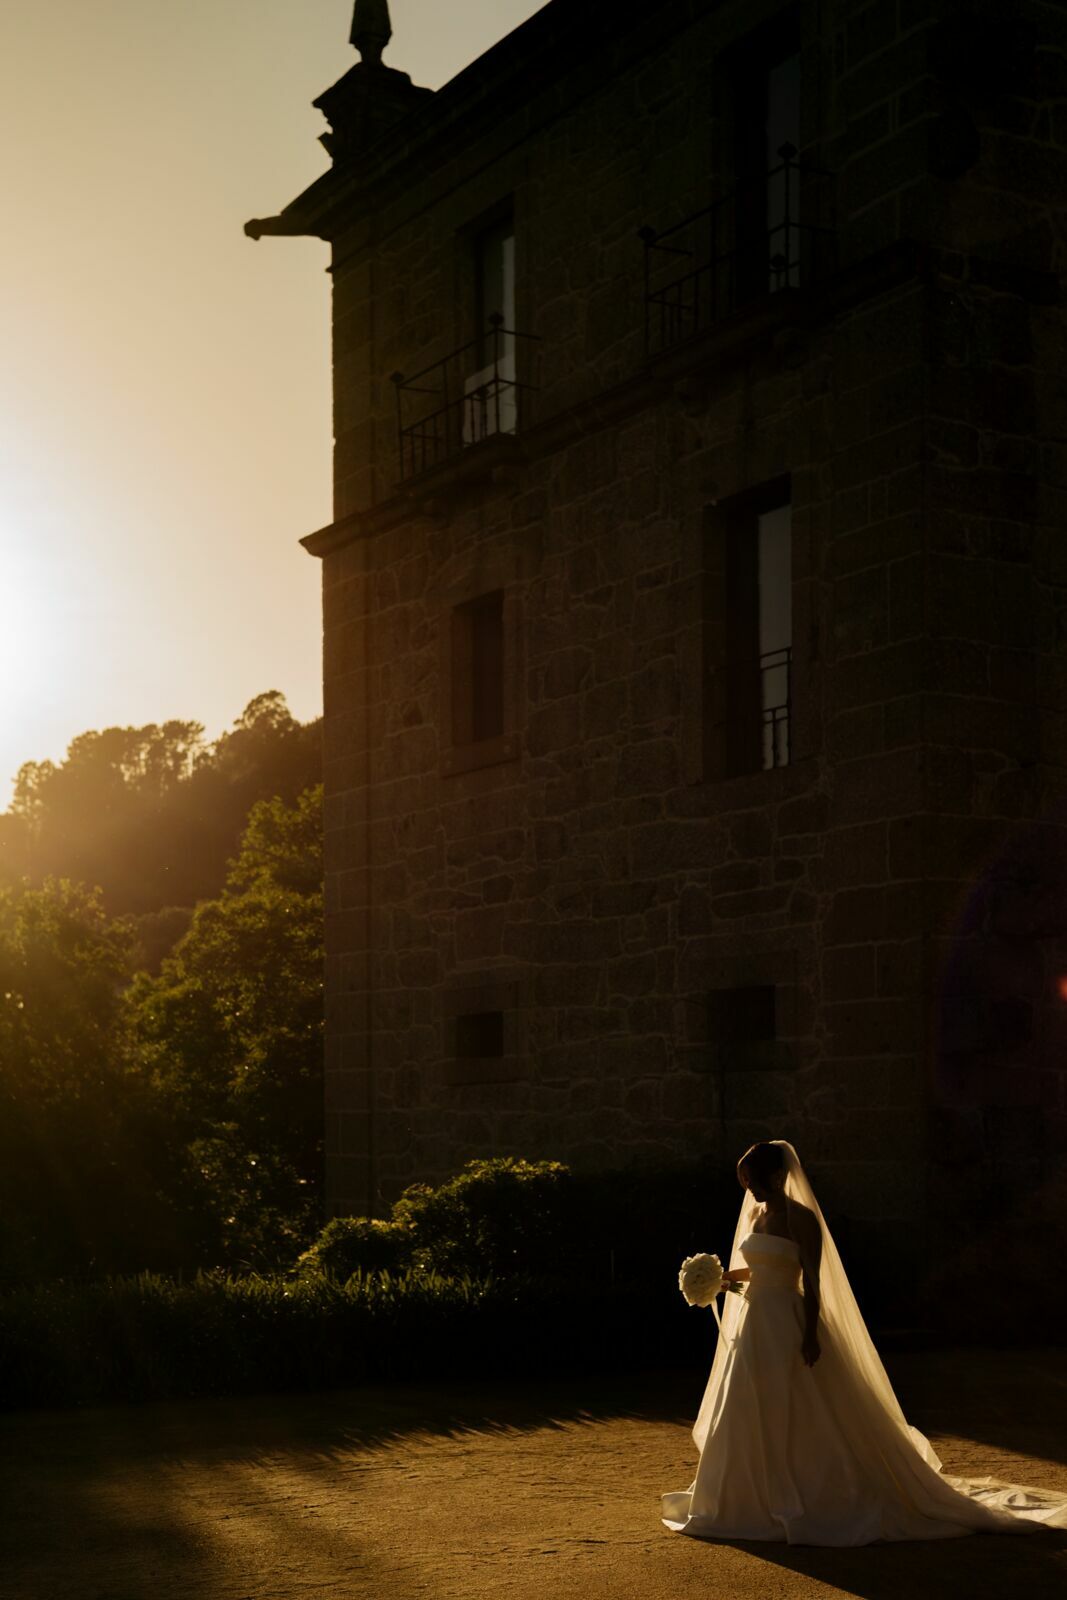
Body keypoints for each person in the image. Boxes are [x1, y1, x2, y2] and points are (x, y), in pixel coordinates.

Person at [661, 1138, 1067, 1545]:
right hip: (755, 1322)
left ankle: (811, 1492)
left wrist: (810, 1333)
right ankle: (745, 1498)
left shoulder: (801, 1219)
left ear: (778, 1175)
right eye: (745, 1181)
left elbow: (811, 1278)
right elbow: (759, 1266)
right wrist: (727, 1279)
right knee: (747, 1403)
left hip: (786, 1319)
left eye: (754, 1179)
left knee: (801, 1405)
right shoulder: (756, 1218)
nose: (750, 1188)